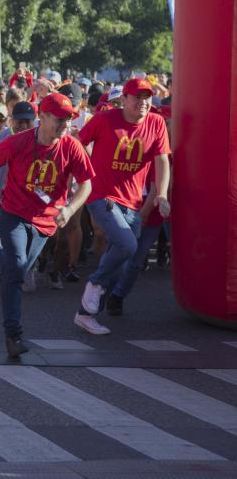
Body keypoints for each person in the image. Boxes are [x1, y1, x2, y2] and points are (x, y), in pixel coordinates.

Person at [0, 92, 95, 357]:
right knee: (16, 270)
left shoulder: (71, 146)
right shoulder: (18, 141)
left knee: (18, 271)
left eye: (68, 119)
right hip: (13, 213)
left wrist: (69, 208)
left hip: (46, 221)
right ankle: (14, 336)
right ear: (42, 117)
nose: (64, 125)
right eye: (59, 119)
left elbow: (87, 185)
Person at [74, 78, 171, 334]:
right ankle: (94, 284)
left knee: (121, 261)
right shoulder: (105, 119)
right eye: (137, 97)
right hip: (101, 196)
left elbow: (162, 160)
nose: (143, 102)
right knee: (127, 245)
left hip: (133, 202)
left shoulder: (156, 122)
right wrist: (83, 174)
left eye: (147, 97)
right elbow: (77, 143)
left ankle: (86, 314)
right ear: (124, 99)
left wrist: (161, 194)